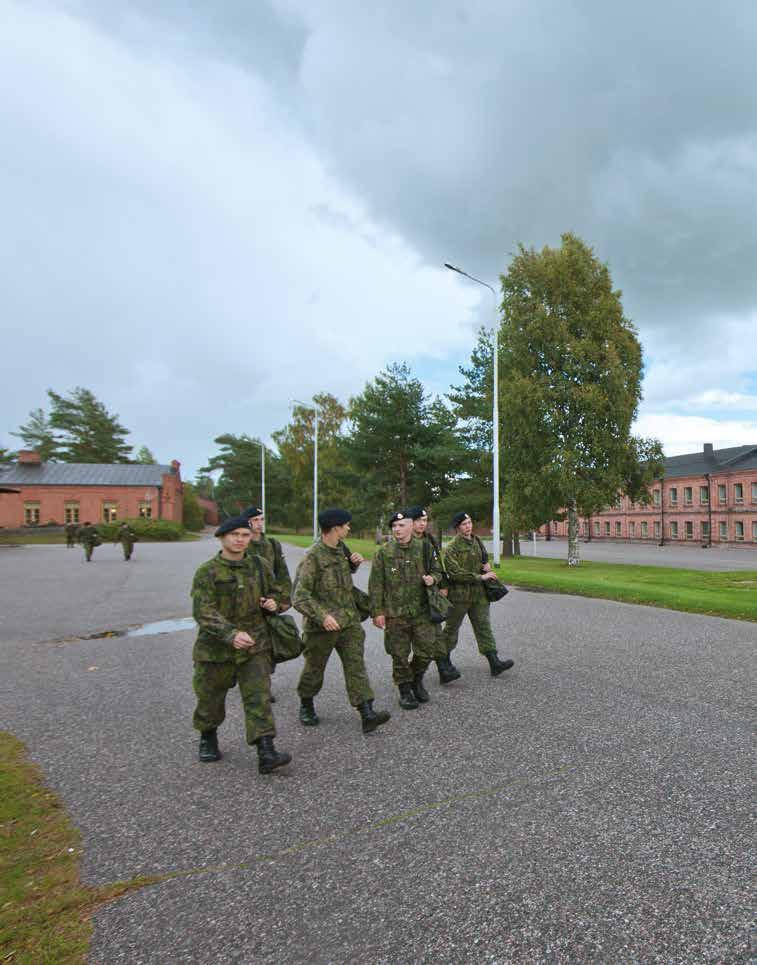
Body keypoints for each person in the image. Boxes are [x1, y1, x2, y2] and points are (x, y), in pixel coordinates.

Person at [191, 514, 291, 774]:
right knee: (210, 698)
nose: (240, 539)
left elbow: (279, 590)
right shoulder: (207, 571)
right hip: (216, 648)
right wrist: (229, 634)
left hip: (254, 644)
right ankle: (208, 737)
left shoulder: (259, 565)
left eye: (245, 535)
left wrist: (274, 603)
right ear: (222, 538)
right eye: (234, 535)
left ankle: (266, 750)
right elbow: (203, 611)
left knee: (258, 696)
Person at [292, 508, 390, 734]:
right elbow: (299, 595)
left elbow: (339, 581)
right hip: (321, 627)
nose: (349, 528)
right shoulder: (312, 556)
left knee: (356, 667)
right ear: (335, 528)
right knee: (314, 669)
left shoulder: (340, 550)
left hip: (348, 622)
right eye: (346, 525)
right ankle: (306, 703)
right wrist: (322, 616)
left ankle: (367, 712)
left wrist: (353, 564)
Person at [368, 510, 441, 709]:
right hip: (395, 613)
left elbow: (438, 570)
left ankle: (417, 679)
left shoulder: (425, 548)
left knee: (426, 650)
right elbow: (376, 585)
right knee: (399, 654)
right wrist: (377, 612)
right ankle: (405, 690)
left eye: (401, 526)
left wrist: (433, 578)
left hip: (421, 611)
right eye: (394, 526)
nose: (397, 530)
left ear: (411, 526)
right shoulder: (383, 553)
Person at [441, 512, 515, 679]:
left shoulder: (477, 541)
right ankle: (444, 663)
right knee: (451, 629)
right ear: (458, 528)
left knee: (483, 627)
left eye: (470, 522)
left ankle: (494, 662)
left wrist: (486, 566)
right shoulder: (451, 547)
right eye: (464, 524)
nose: (468, 526)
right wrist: (480, 577)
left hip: (479, 595)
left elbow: (482, 560)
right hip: (459, 597)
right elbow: (454, 573)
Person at [407, 505, 460, 685]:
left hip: (431, 593)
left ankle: (444, 668)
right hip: (412, 598)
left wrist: (442, 584)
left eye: (424, 521)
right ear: (410, 523)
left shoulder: (429, 539)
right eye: (418, 521)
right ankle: (412, 676)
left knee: (436, 631)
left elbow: (438, 565)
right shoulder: (406, 541)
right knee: (425, 638)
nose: (422, 524)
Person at [243, 507, 292, 610]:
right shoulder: (241, 545)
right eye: (255, 520)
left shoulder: (272, 544)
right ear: (247, 522)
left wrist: (284, 600)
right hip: (247, 603)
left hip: (271, 601)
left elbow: (283, 574)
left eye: (262, 519)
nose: (260, 523)